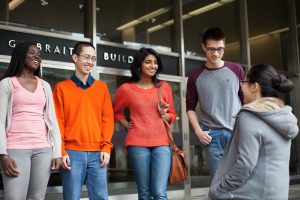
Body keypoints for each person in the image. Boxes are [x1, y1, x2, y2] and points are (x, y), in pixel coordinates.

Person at [209, 64, 299, 200]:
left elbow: (244, 164)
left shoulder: (249, 115)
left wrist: (219, 189)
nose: (241, 87)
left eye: (244, 82)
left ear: (254, 86)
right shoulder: (282, 115)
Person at [52, 41, 114, 200]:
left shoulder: (102, 88)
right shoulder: (61, 88)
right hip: (72, 153)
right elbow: (57, 121)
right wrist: (61, 150)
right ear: (75, 58)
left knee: (100, 197)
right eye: (86, 57)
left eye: (93, 58)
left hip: (98, 153)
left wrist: (106, 147)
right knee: (71, 197)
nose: (90, 62)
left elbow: (107, 119)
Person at [0, 41, 62, 200]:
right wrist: (2, 154)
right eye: (32, 53)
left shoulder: (45, 85)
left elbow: (52, 121)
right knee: (14, 197)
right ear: (21, 55)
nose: (37, 57)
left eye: (39, 55)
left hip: (43, 149)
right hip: (15, 148)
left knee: (36, 197)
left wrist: (57, 152)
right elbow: (0, 122)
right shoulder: (7, 83)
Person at [113, 47, 176, 200]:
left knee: (159, 192)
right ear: (139, 65)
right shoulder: (127, 89)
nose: (152, 66)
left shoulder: (164, 87)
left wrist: (164, 113)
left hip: (162, 143)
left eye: (155, 63)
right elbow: (115, 111)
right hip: (137, 143)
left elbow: (172, 115)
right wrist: (125, 123)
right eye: (148, 62)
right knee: (144, 193)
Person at [186, 27, 245, 177]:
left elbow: (246, 100)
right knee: (218, 181)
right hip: (212, 135)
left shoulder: (237, 70)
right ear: (204, 47)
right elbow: (190, 107)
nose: (216, 53)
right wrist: (198, 131)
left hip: (236, 131)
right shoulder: (195, 76)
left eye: (220, 49)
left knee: (239, 179)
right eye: (211, 49)